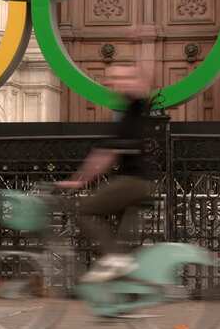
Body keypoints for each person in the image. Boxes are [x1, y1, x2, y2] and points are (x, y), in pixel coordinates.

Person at [57, 63, 156, 283]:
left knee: (84, 211)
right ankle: (123, 294)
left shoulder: (137, 106)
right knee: (118, 242)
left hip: (134, 181)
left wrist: (77, 182)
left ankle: (114, 261)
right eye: (113, 80)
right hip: (136, 182)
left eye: (122, 78)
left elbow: (104, 156)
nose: (115, 83)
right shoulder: (127, 108)